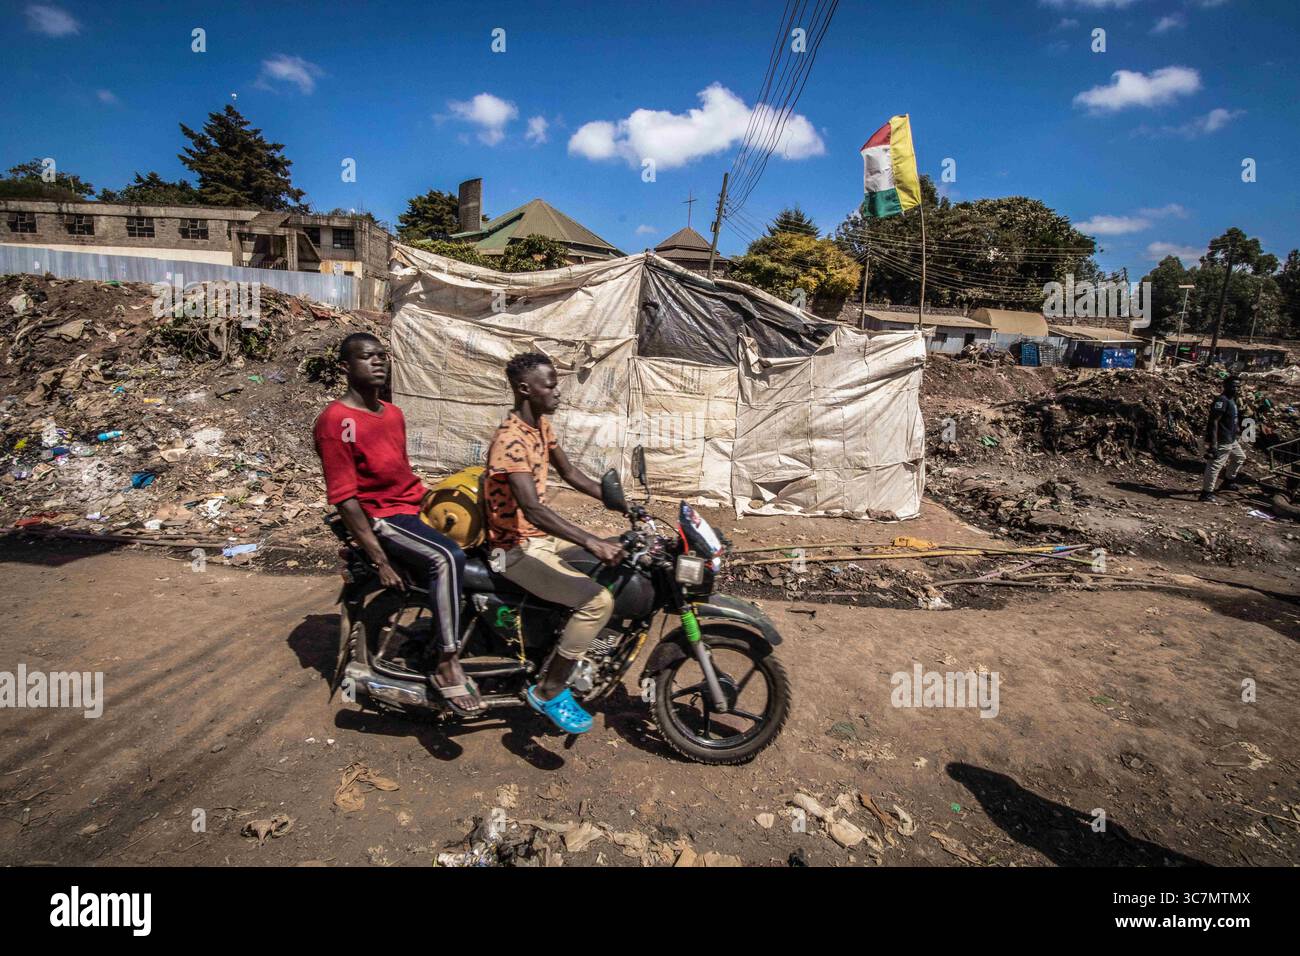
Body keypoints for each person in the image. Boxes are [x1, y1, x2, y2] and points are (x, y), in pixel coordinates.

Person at [313, 332, 483, 716]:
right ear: (345, 367)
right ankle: (446, 660)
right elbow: (345, 497)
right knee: (446, 558)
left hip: (410, 506)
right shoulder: (336, 421)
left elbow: (402, 476)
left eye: (381, 356)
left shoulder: (392, 413)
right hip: (382, 516)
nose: (378, 362)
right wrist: (380, 561)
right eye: (366, 357)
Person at [484, 352, 624, 735]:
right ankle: (549, 689)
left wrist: (622, 503)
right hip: (511, 551)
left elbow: (572, 473)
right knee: (597, 600)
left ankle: (576, 645)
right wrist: (591, 540)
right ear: (526, 389)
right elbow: (532, 509)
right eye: (551, 385)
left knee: (620, 559)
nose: (558, 392)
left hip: (537, 541)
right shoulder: (510, 440)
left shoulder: (540, 427)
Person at [1200, 375, 1247, 504]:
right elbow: (1214, 422)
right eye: (1233, 386)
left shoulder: (1233, 400)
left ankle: (1228, 481)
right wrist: (1213, 444)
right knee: (1215, 466)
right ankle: (1206, 493)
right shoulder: (1222, 400)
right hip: (1222, 440)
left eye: (1238, 386)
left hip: (1231, 439)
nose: (1236, 389)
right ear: (1225, 386)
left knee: (1240, 457)